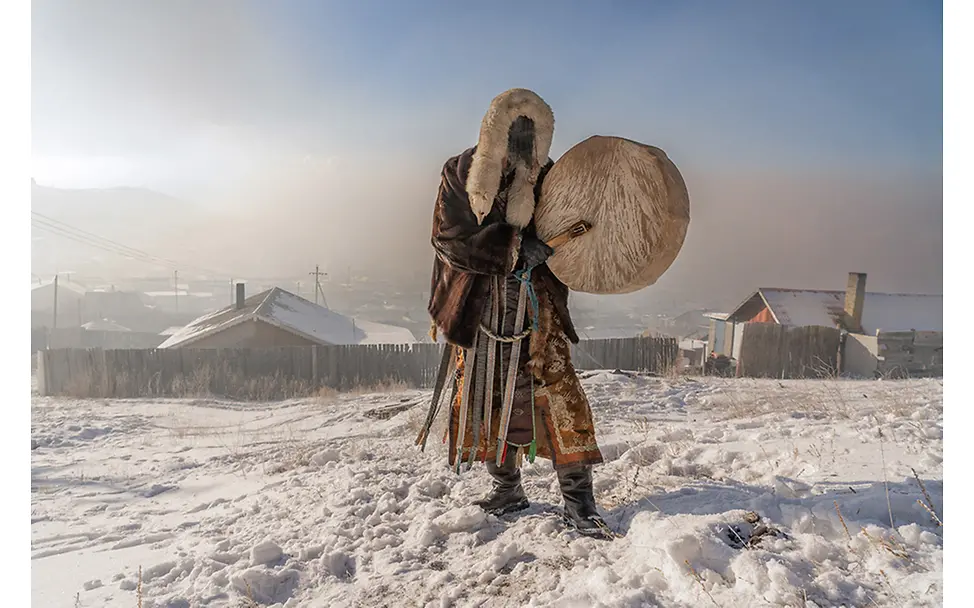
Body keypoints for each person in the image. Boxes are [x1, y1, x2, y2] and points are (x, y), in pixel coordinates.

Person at [423, 88, 611, 539]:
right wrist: (511, 246)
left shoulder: (549, 178)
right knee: (485, 394)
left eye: (531, 135)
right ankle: (507, 489)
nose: (522, 144)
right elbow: (448, 237)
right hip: (477, 301)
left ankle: (579, 501)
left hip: (534, 305)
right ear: (495, 132)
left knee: (560, 392)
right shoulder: (460, 171)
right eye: (514, 133)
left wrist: (547, 249)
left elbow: (571, 230)